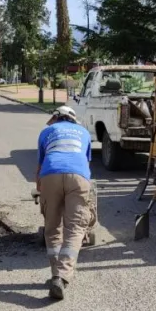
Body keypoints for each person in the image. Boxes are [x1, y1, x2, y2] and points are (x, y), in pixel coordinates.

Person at [35, 106, 94, 300]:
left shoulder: (47, 132)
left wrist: (41, 188)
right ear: (72, 119)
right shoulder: (84, 132)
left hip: (50, 175)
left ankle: (55, 274)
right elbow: (86, 162)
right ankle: (62, 275)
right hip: (78, 177)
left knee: (52, 227)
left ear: (56, 117)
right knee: (76, 228)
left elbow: (40, 164)